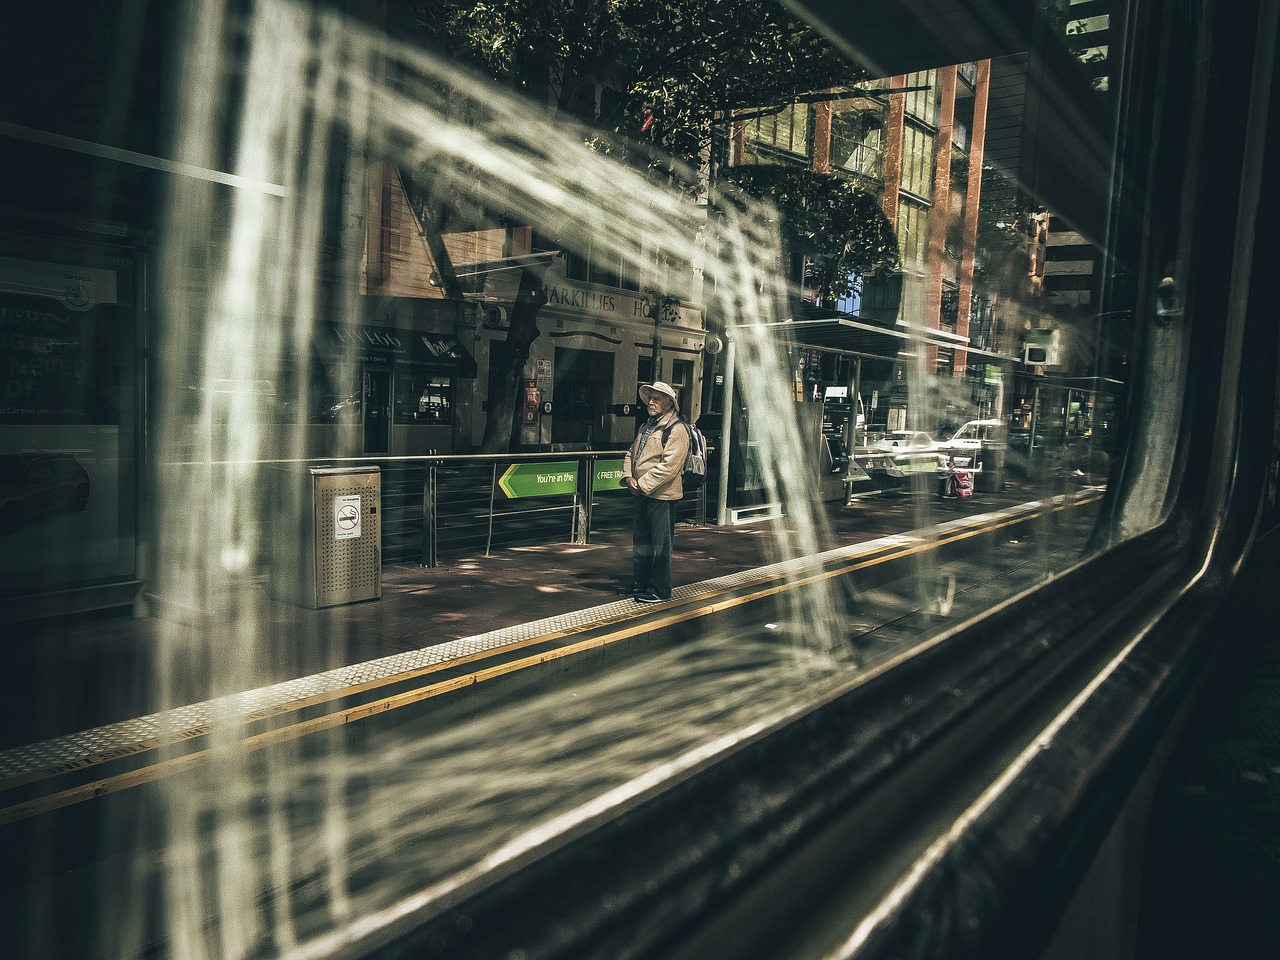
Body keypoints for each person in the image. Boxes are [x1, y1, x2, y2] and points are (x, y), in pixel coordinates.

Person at [618, 381, 690, 603]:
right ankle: (641, 583)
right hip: (643, 493)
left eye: (657, 398)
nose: (651, 402)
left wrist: (642, 484)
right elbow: (632, 453)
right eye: (650, 397)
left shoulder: (677, 429)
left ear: (669, 402)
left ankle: (659, 589)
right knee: (641, 542)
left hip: (662, 496)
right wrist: (628, 477)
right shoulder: (646, 426)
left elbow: (670, 466)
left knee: (660, 545)